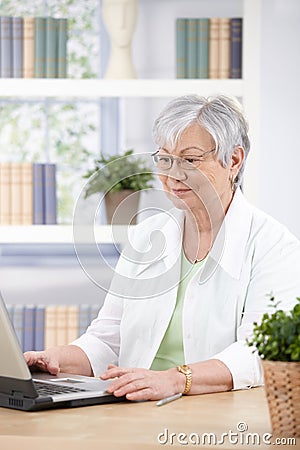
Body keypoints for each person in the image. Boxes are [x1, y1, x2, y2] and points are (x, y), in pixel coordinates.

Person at [25, 94, 300, 401]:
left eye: (190, 160)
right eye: (165, 159)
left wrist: (174, 380)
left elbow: (257, 354)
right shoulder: (147, 236)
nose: (172, 174)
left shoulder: (274, 247)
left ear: (233, 160)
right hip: (133, 407)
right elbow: (107, 340)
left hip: (217, 416)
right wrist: (56, 358)